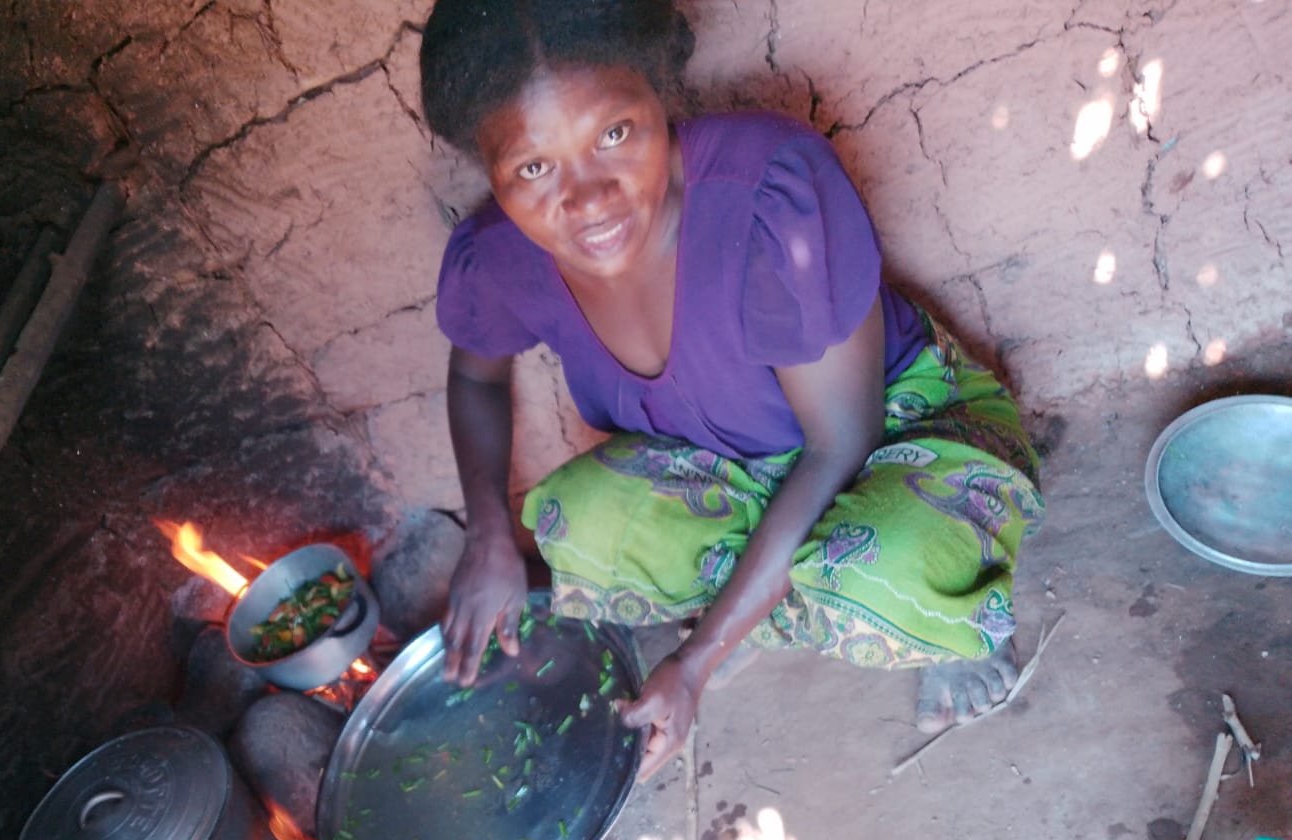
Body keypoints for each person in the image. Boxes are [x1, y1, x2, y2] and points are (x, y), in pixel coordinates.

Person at [419, 0, 1044, 778]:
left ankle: (943, 625)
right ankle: (770, 608)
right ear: (489, 168)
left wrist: (697, 656)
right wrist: (487, 532)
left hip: (890, 434)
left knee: (886, 562)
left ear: (659, 93)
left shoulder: (767, 192)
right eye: (532, 168)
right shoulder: (498, 257)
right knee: (569, 526)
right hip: (721, 466)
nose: (587, 201)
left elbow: (837, 444)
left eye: (613, 135)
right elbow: (474, 374)